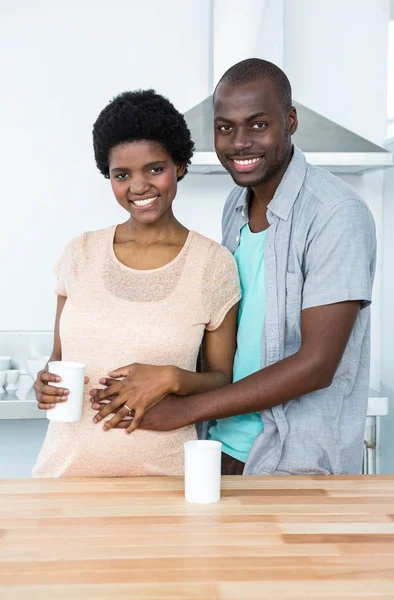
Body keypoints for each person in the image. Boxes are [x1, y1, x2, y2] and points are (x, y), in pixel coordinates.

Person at [92, 59, 376, 476]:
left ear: (290, 121)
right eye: (225, 127)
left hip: (293, 461)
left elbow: (318, 363)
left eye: (258, 125)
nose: (240, 142)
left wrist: (184, 409)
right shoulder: (236, 207)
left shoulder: (336, 213)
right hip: (219, 448)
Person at [32, 90, 240, 477]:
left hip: (167, 481)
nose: (138, 186)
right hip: (63, 478)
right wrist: (44, 382)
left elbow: (221, 379)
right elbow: (58, 358)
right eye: (121, 175)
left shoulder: (213, 264)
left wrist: (170, 377)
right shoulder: (79, 253)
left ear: (179, 165)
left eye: (154, 169)